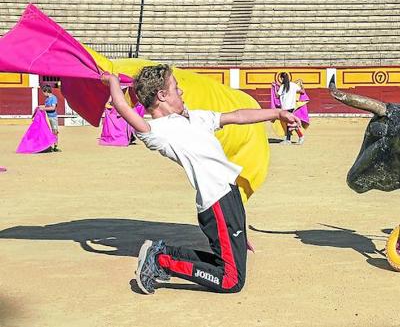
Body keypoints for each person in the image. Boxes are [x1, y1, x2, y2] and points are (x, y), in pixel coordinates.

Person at [101, 64, 300, 294]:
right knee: (230, 280)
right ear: (162, 95)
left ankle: (161, 253)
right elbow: (122, 106)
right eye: (176, 88)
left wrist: (277, 113)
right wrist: (114, 81)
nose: (182, 92)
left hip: (230, 195)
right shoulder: (156, 132)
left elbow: (237, 116)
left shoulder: (195, 118)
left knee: (228, 267)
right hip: (216, 202)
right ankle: (161, 261)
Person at [276, 72, 305, 144]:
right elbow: (302, 92)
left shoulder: (282, 87)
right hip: (291, 107)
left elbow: (277, 96)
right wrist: (301, 86)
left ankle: (300, 137)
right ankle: (289, 139)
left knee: (290, 123)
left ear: (282, 78)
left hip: (285, 107)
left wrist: (274, 88)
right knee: (289, 123)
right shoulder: (293, 85)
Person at [39, 84, 60, 152]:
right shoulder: (47, 99)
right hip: (48, 118)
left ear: (46, 91)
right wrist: (40, 107)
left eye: (43, 92)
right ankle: (49, 146)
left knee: (54, 132)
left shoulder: (53, 98)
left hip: (53, 117)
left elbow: (53, 108)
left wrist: (43, 108)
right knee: (47, 131)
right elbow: (46, 107)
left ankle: (55, 147)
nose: (43, 94)